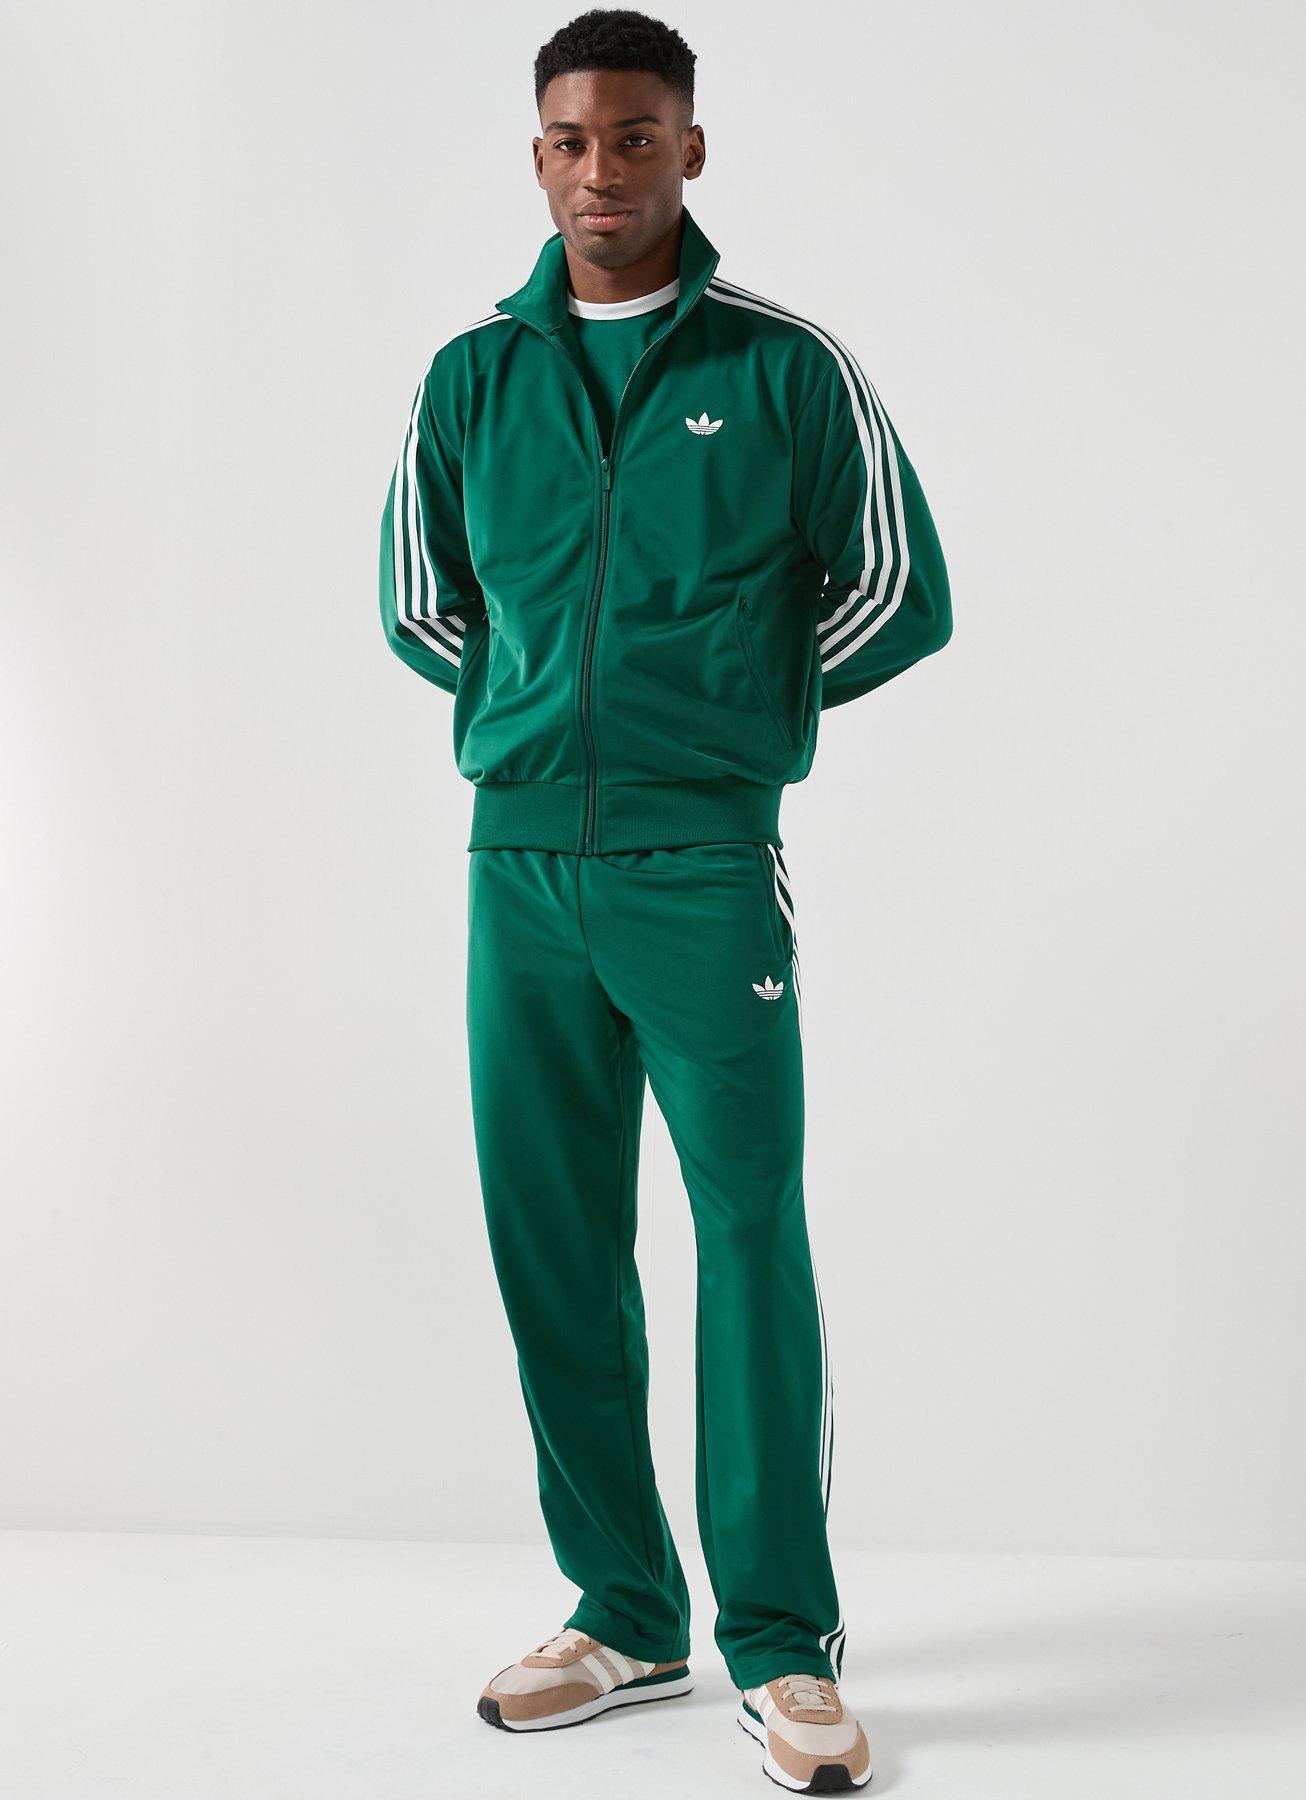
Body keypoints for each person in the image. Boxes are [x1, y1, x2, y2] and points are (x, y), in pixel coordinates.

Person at [378, 8, 951, 1790]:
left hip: (703, 871)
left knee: (744, 1234)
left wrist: (717, 724)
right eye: (569, 139)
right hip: (518, 870)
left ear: (688, 150)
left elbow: (900, 592)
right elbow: (420, 603)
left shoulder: (783, 368)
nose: (600, 170)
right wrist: (540, 725)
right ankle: (623, 1611)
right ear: (535, 155)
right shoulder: (472, 377)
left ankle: (779, 1643)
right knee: (552, 1242)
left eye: (634, 137)